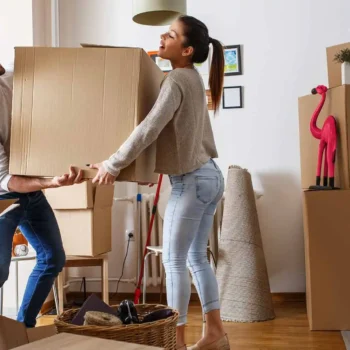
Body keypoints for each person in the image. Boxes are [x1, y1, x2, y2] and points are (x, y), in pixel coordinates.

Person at [90, 15, 229, 350]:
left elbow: (149, 129)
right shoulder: (191, 78)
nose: (162, 37)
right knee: (196, 257)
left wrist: (112, 164)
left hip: (192, 182)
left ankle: (175, 343)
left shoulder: (177, 80)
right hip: (210, 176)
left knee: (173, 261)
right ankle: (215, 334)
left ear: (187, 49)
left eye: (170, 34)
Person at [0, 65, 83, 327]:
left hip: (30, 193)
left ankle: (23, 327)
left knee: (52, 258)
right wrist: (51, 182)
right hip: (4, 196)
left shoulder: (19, 78)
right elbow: (6, 180)